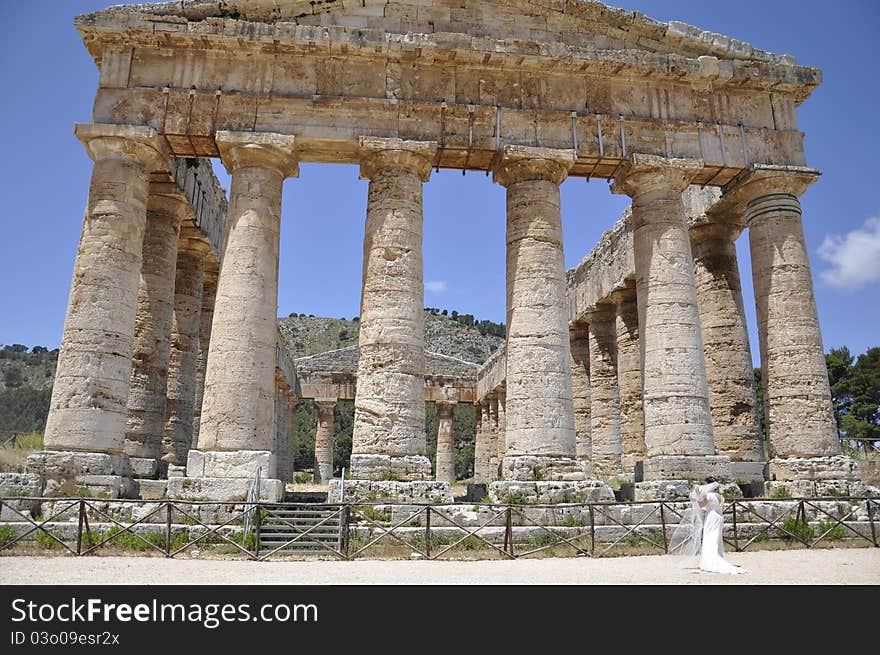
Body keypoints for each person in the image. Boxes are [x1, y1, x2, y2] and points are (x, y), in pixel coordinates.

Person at [669, 477, 746, 575]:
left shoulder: (709, 495)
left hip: (711, 517)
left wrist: (697, 497)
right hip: (719, 517)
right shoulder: (720, 496)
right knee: (716, 537)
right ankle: (718, 555)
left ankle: (710, 559)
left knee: (709, 537)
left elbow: (702, 505)